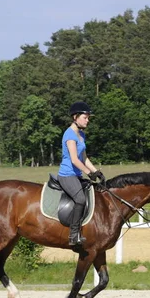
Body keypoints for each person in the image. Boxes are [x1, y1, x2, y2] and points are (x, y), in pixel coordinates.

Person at [58, 101, 106, 246]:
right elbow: (74, 159)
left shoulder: (81, 135)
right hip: (67, 175)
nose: (88, 120)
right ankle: (73, 235)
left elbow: (84, 158)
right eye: (85, 117)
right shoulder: (69, 135)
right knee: (80, 199)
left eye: (88, 117)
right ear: (75, 117)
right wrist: (88, 173)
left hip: (77, 175)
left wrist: (96, 171)